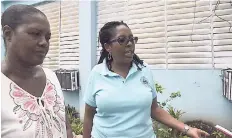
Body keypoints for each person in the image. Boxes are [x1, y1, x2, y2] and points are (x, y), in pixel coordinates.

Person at [83, 21, 210, 138]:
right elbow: (89, 116)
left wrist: (188, 129)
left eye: (132, 39)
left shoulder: (144, 70)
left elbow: (154, 109)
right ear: (108, 47)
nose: (130, 44)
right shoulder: (97, 73)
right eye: (122, 40)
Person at [1, 4, 73, 138]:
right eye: (35, 34)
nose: (44, 42)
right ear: (8, 34)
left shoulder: (51, 77)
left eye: (48, 37)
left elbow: (66, 127)